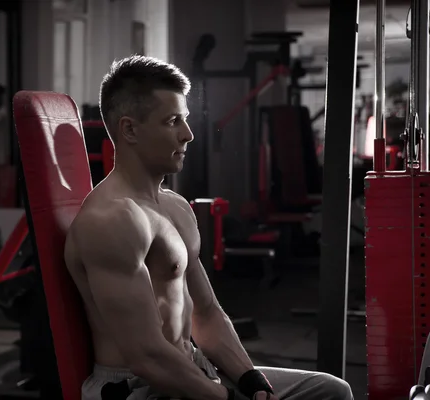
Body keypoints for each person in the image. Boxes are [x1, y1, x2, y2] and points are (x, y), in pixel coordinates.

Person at [65, 55, 354, 400]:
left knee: (330, 391)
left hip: (193, 367)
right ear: (129, 129)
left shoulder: (173, 207)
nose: (188, 135)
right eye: (173, 121)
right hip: (137, 387)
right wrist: (226, 398)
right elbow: (147, 358)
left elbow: (206, 313)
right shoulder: (112, 220)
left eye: (184, 120)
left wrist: (251, 382)